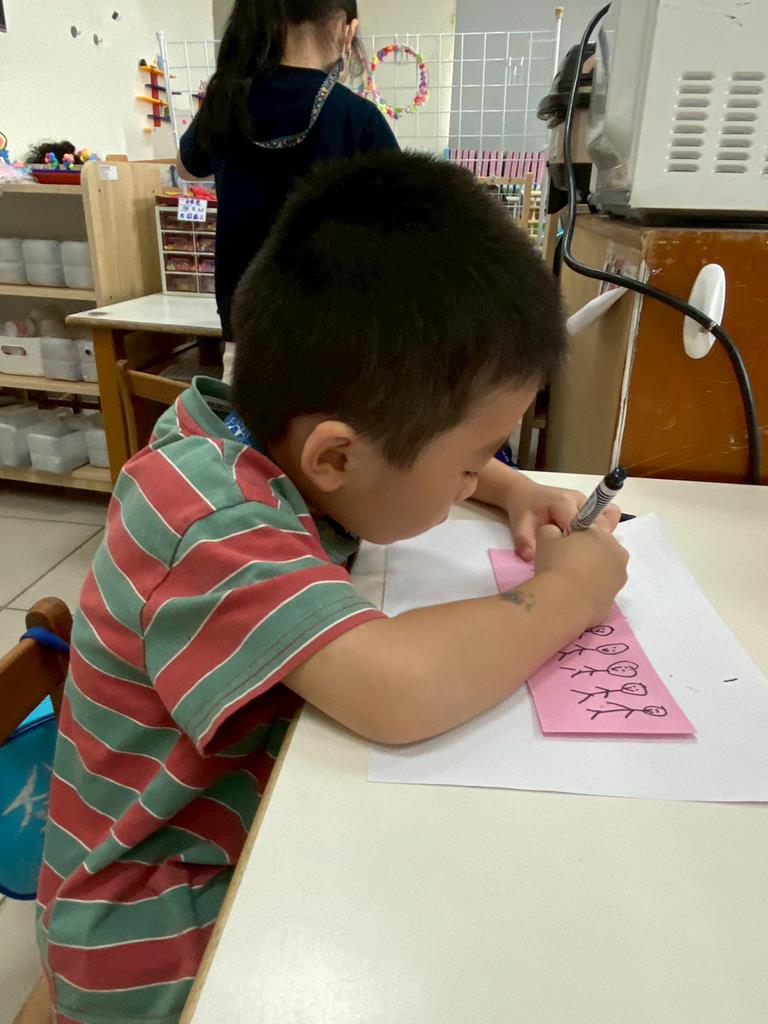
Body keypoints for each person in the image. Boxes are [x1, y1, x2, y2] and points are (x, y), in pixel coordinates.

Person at [37, 152, 627, 1024]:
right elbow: (398, 687)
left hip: (217, 842)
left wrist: (507, 487)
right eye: (471, 462)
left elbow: (391, 457)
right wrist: (572, 591)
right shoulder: (210, 523)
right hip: (149, 935)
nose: (476, 479)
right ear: (338, 457)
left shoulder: (242, 432)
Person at [178, 0, 399, 381]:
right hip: (331, 332)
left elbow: (186, 167)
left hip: (246, 330)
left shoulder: (226, 102)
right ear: (346, 30)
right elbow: (402, 224)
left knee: (245, 420)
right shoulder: (356, 117)